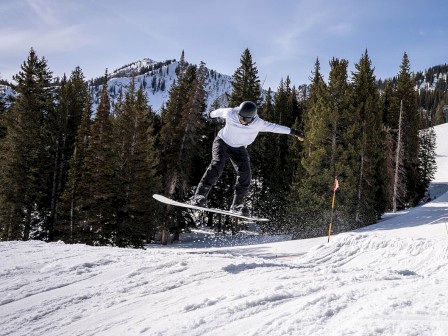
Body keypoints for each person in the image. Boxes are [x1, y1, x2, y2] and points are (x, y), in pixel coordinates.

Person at [189, 101, 305, 215]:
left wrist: (294, 132)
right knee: (217, 164)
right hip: (222, 142)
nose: (242, 121)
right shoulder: (231, 113)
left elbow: (275, 127)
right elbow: (219, 112)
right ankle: (199, 196)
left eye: (246, 119)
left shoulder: (258, 123)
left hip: (239, 148)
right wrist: (210, 114)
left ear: (253, 118)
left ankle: (236, 205)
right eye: (241, 117)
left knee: (245, 173)